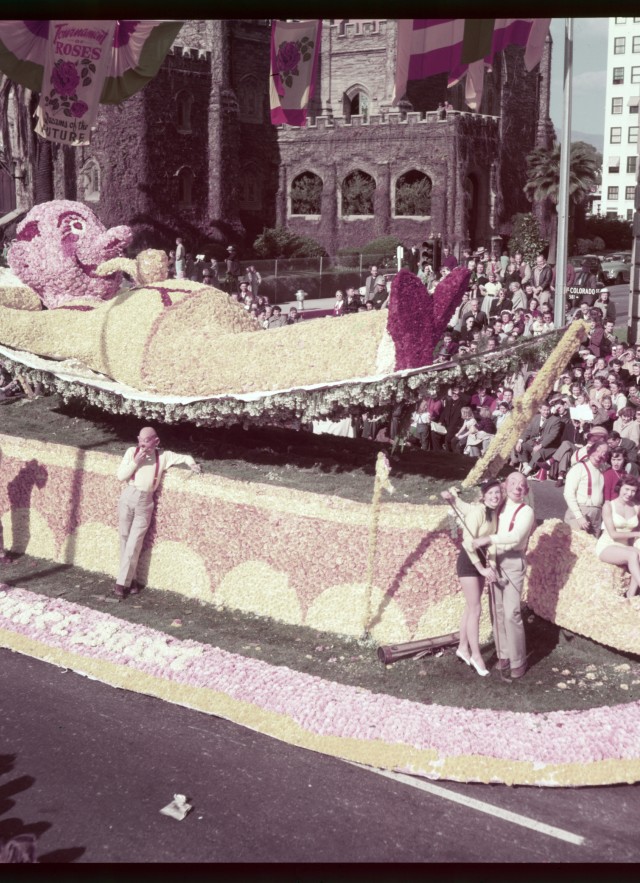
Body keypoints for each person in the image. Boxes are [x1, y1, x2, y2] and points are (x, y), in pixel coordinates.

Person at [115, 426, 202, 599]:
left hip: (145, 501)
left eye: (146, 440)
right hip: (128, 496)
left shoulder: (163, 456)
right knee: (124, 538)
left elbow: (185, 457)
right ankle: (130, 580)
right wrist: (136, 462)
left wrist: (192, 464)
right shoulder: (132, 451)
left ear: (156, 441)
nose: (142, 444)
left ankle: (120, 584)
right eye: (139, 439)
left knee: (134, 542)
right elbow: (121, 476)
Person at [473, 471, 535, 678]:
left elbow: (516, 537)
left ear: (526, 491)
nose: (518, 487)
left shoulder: (526, 511)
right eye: (514, 482)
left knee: (512, 612)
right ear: (505, 486)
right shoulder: (498, 506)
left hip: (512, 562)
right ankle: (504, 654)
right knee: (497, 610)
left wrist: (489, 539)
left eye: (522, 484)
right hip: (494, 560)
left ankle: (519, 659)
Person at [441, 481, 502, 676]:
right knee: (476, 609)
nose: (495, 496)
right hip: (469, 562)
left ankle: (463, 648)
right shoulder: (478, 512)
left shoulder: (492, 513)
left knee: (470, 607)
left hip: (481, 562)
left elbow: (490, 542)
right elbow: (468, 543)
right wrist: (482, 569)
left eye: (498, 493)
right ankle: (476, 655)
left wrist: (490, 564)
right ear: (483, 496)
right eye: (491, 493)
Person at [595, 474, 640, 598]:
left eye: (633, 491)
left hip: (625, 546)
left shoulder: (636, 507)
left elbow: (636, 529)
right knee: (633, 555)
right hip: (608, 545)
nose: (629, 493)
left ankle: (631, 594)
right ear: (619, 488)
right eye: (626, 489)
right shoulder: (608, 506)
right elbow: (614, 535)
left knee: (639, 554)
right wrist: (637, 534)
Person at [563, 438, 609, 535]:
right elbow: (568, 494)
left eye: (604, 453)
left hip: (597, 514)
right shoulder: (579, 468)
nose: (600, 455)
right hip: (581, 511)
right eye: (597, 450)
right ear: (591, 451)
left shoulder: (602, 470)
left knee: (591, 547)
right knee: (576, 546)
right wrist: (579, 516)